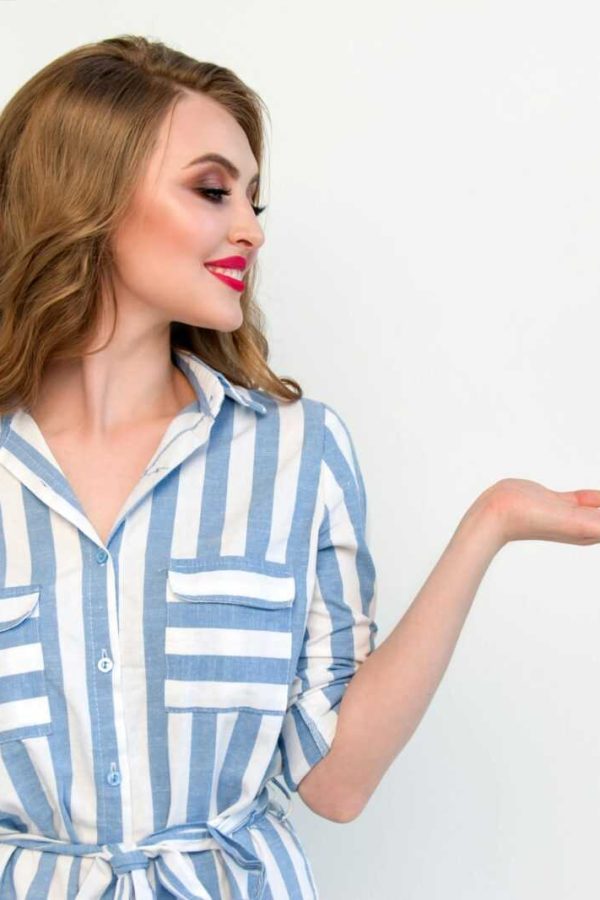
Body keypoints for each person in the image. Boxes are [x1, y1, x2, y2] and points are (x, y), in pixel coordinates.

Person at [0, 32, 599, 900]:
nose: (249, 227)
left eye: (253, 199)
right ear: (86, 196)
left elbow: (337, 783)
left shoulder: (298, 452)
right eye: (212, 190)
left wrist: (493, 522)